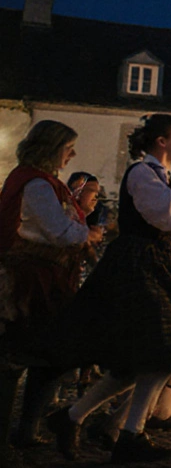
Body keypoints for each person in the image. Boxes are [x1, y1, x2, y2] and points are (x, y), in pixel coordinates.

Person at [45, 114, 171, 463]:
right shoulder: (142, 173)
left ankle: (79, 419)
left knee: (144, 358)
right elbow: (167, 215)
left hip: (155, 262)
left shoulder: (160, 176)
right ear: (162, 141)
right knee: (163, 350)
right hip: (137, 264)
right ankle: (126, 432)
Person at [0, 122, 103, 455]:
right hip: (33, 281)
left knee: (47, 357)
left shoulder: (43, 182)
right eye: (67, 148)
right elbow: (59, 231)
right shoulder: (36, 185)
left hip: (48, 277)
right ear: (51, 147)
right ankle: (13, 434)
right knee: (24, 356)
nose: (72, 154)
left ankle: (26, 429)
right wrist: (86, 234)